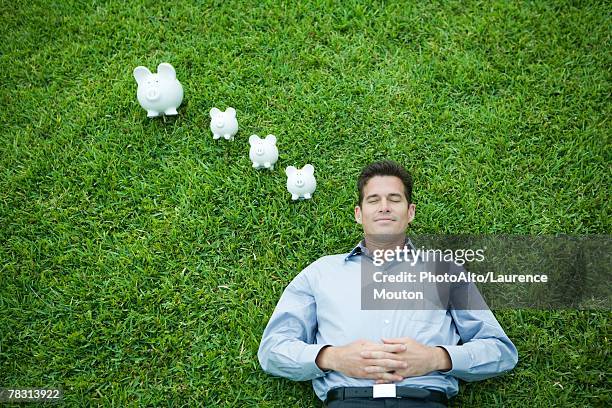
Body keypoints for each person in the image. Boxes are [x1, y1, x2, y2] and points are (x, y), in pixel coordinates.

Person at [258, 160, 518, 407]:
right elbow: (273, 350)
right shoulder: (320, 272)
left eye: (394, 199)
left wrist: (436, 358)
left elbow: (500, 350)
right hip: (348, 401)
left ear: (410, 212)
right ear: (359, 214)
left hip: (423, 401)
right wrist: (332, 357)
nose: (384, 207)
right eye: (374, 200)